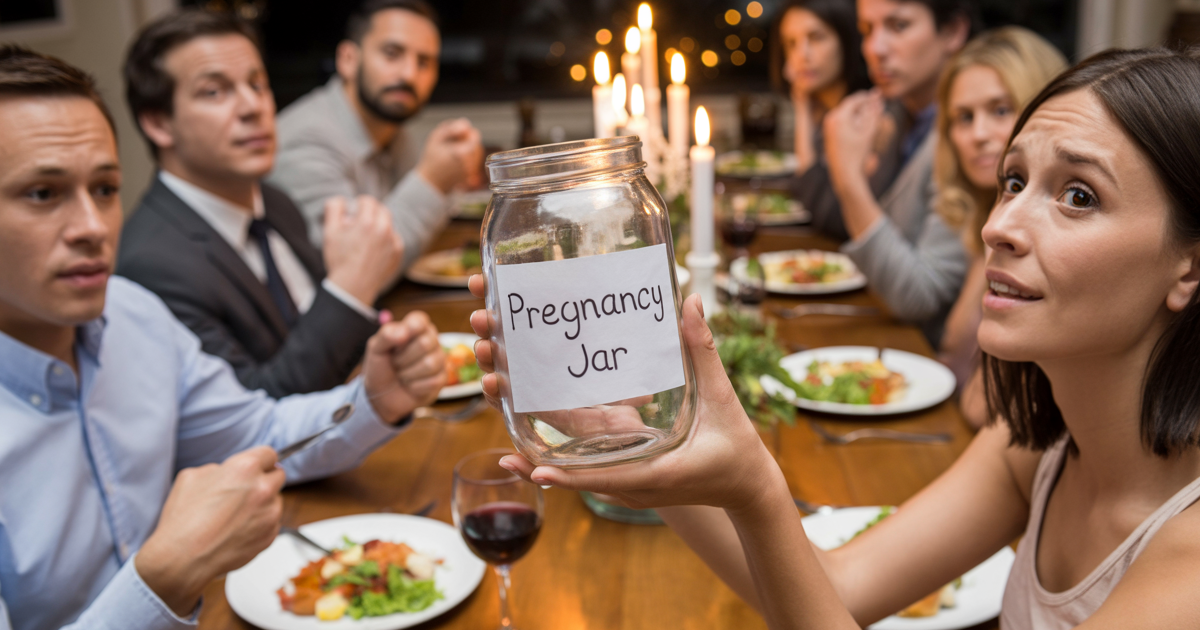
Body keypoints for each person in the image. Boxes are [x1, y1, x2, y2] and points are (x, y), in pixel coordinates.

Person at [474, 47, 1200, 628]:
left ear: (1189, 266)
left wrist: (758, 486)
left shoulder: (1188, 566)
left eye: (1079, 195)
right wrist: (642, 439)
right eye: (1014, 181)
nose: (1000, 225)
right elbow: (836, 591)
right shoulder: (1036, 446)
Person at [0, 47, 445, 629]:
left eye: (105, 189)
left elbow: (257, 432)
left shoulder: (134, 314)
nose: (91, 227)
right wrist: (164, 576)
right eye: (42, 194)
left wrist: (373, 400)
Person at [117, 10, 404, 398]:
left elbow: (327, 342)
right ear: (158, 123)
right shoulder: (152, 265)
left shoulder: (273, 202)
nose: (254, 107)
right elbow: (253, 412)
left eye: (257, 84)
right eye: (214, 91)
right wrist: (351, 287)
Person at [267, 0, 483, 272]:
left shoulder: (394, 132)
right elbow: (355, 271)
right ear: (348, 60)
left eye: (424, 62)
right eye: (392, 53)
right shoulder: (304, 141)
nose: (409, 74)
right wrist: (434, 181)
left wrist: (456, 177)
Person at [809, 0, 973, 346]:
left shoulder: (970, 135)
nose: (875, 49)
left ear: (953, 32)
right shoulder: (898, 116)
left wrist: (848, 176)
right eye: (867, 30)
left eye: (898, 26)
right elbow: (830, 222)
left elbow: (920, 297)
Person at [931, 27, 1066, 428]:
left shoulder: (1038, 241)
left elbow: (983, 407)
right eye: (964, 118)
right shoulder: (981, 220)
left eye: (1001, 110)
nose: (978, 135)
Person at [771, 0, 870, 179]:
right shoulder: (821, 110)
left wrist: (802, 110)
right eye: (791, 43)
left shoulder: (863, 114)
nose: (802, 55)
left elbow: (814, 193)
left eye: (816, 37)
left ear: (846, 40)